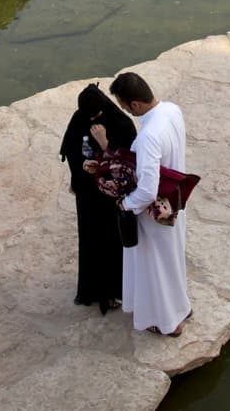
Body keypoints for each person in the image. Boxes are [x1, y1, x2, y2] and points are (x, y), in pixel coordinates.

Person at [94, 71, 191, 337]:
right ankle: (180, 306)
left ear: (134, 104)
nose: (123, 110)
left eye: (124, 105)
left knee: (155, 266)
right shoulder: (172, 110)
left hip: (155, 210)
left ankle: (169, 322)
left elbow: (147, 188)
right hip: (175, 200)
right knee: (172, 259)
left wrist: (127, 204)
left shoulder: (148, 137)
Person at [59, 83, 136, 315]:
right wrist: (83, 165)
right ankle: (93, 290)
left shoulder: (121, 124)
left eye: (97, 115)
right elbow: (70, 150)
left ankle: (116, 291)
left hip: (111, 198)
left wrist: (105, 145)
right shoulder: (79, 120)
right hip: (89, 196)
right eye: (89, 116)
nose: (93, 120)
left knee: (113, 242)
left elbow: (129, 162)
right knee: (92, 239)